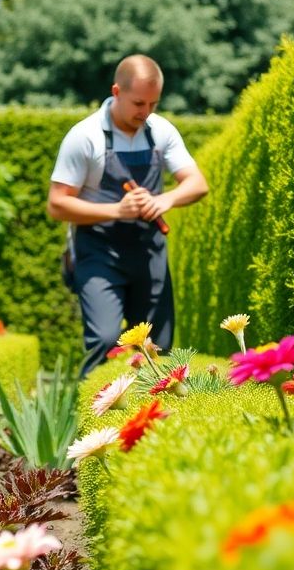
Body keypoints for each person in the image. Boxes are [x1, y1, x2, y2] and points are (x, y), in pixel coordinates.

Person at [47, 54, 209, 377]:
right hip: (99, 252)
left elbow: (198, 183)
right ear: (116, 91)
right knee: (105, 341)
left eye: (153, 104)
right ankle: (93, 424)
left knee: (157, 348)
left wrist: (166, 200)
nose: (145, 113)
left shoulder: (160, 131)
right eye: (138, 103)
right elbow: (57, 204)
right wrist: (118, 210)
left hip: (149, 251)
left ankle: (150, 423)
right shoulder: (85, 136)